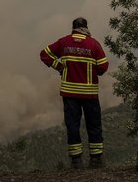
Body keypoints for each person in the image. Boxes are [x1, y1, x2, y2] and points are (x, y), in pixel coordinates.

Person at [40, 17, 109, 169]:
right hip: (89, 94)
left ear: (73, 28)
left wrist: (59, 66)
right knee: (94, 125)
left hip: (69, 93)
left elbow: (44, 54)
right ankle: (96, 160)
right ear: (86, 28)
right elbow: (103, 67)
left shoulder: (64, 42)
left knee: (72, 126)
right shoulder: (93, 44)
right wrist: (93, 71)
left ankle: (76, 161)